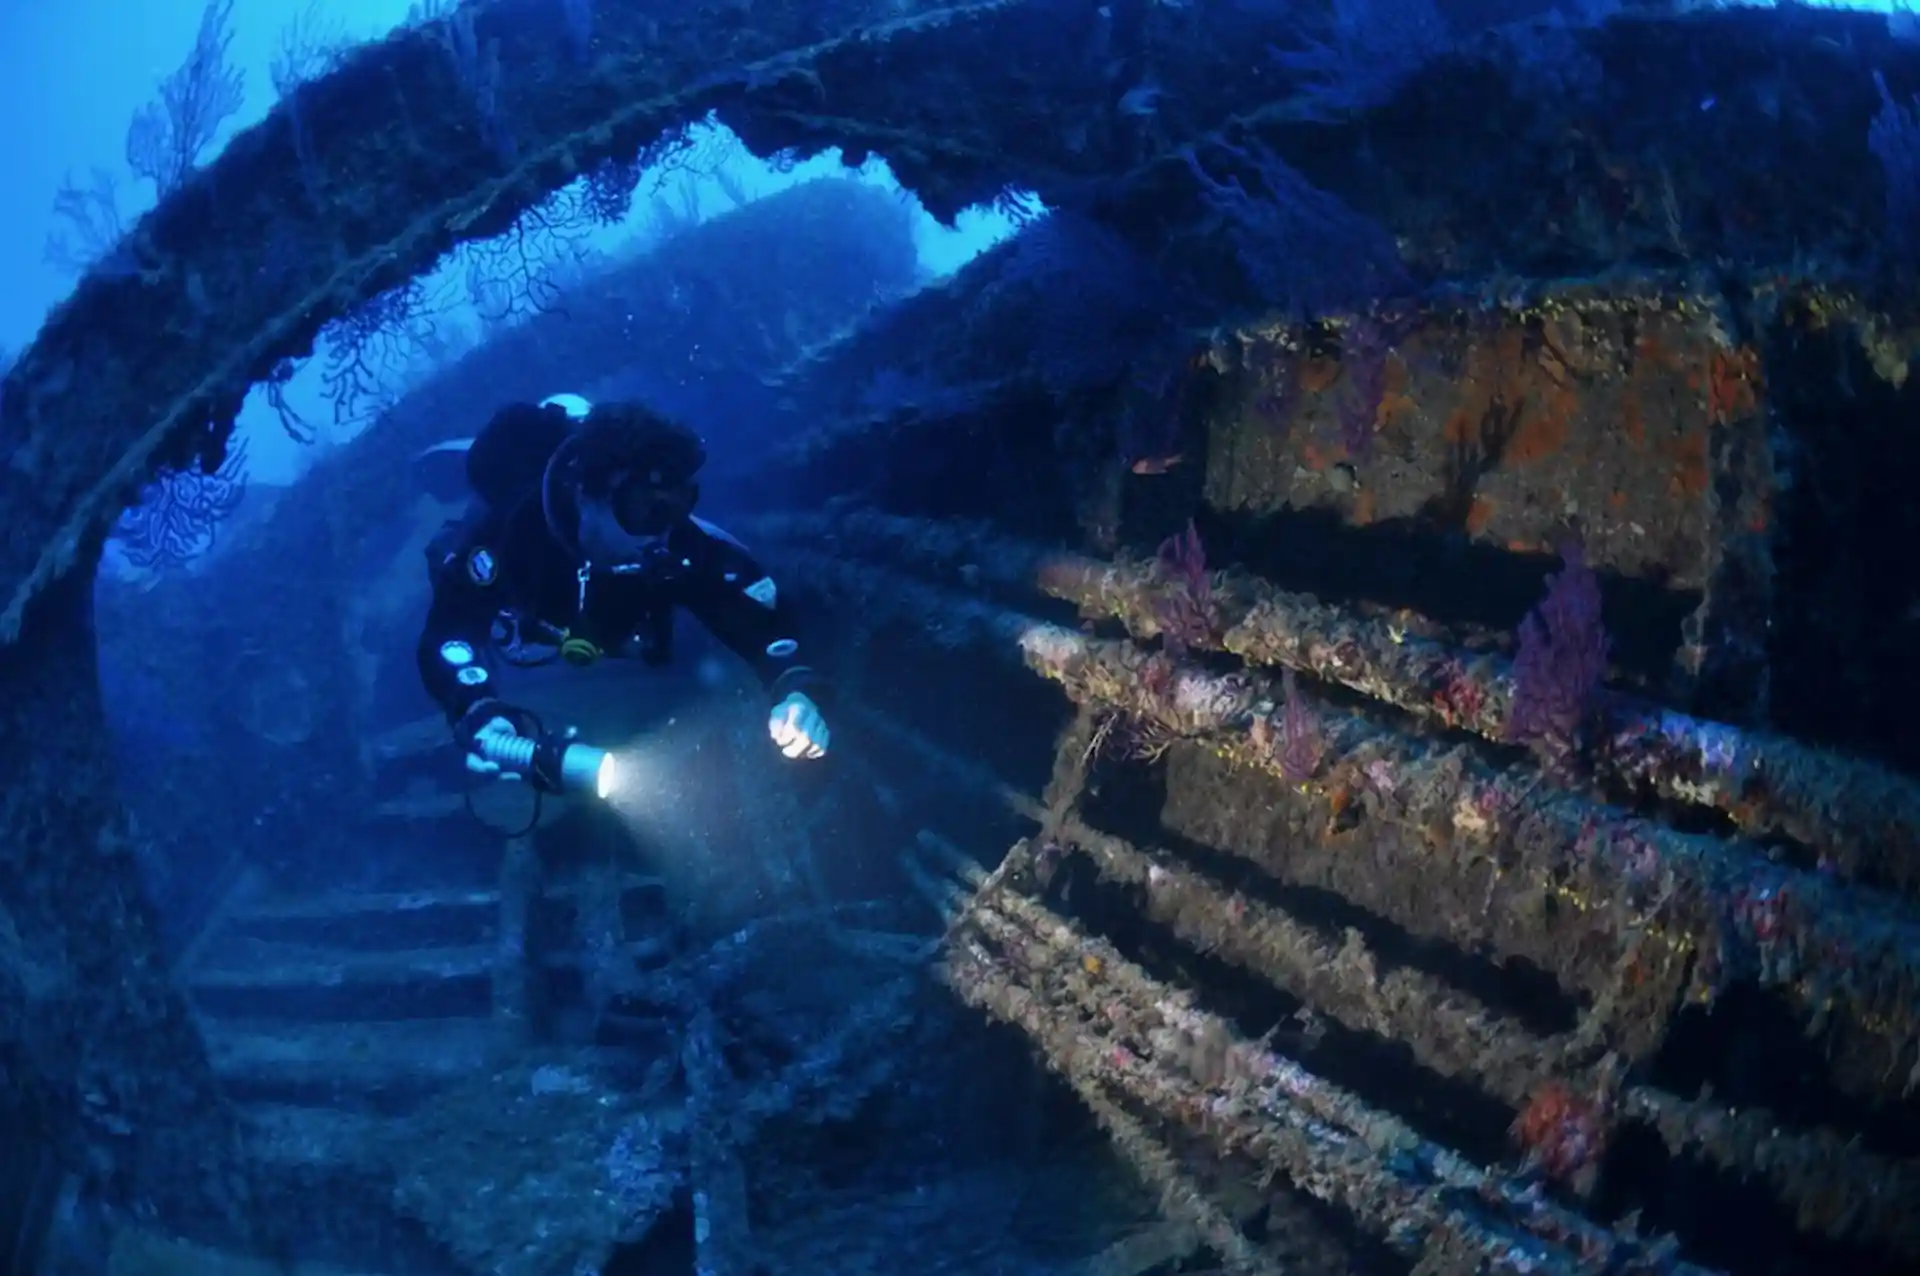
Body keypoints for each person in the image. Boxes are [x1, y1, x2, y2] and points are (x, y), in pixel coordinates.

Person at [414, 393, 828, 784]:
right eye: (642, 509)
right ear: (584, 494)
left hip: (584, 617)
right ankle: (474, 456)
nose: (663, 532)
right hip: (532, 591)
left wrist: (792, 687)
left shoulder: (676, 542)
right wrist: (477, 706)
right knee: (453, 545)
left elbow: (758, 609)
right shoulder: (508, 538)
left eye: (680, 502)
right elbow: (448, 631)